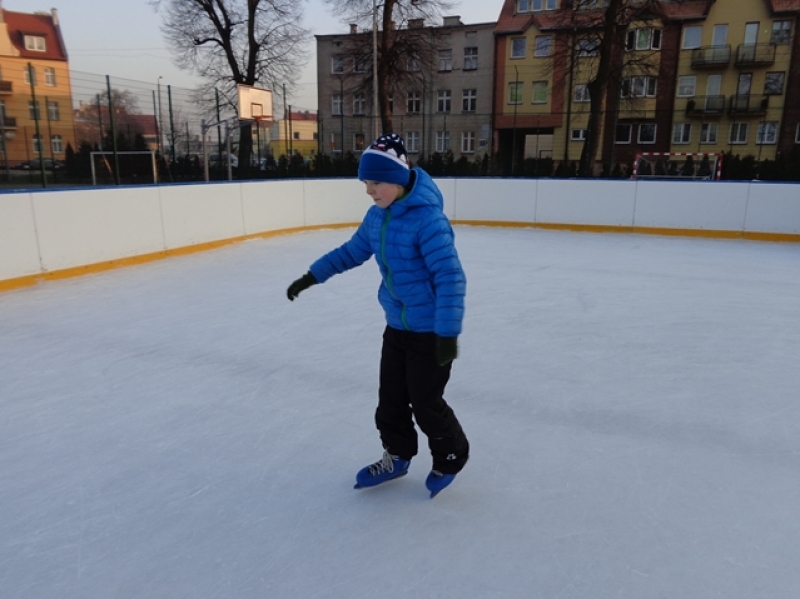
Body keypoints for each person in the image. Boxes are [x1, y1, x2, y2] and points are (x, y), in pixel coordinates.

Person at [286, 133, 469, 498]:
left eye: (376, 182)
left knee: (426, 402)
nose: (369, 191)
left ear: (398, 179)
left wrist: (448, 333)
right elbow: (350, 252)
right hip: (396, 327)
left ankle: (450, 456)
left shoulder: (428, 221)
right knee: (390, 400)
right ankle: (397, 456)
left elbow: (450, 277)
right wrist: (312, 276)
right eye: (366, 183)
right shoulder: (377, 217)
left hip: (430, 332)